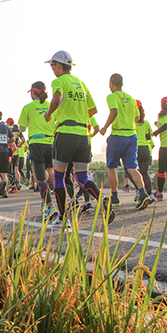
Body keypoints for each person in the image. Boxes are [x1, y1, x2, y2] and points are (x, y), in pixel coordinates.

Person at [43, 50, 111, 227]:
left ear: (59, 65)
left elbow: (56, 99)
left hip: (65, 133)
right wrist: (80, 116)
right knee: (82, 177)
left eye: (52, 65)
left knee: (59, 177)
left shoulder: (59, 81)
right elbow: (93, 110)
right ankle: (101, 198)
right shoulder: (81, 83)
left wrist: (49, 113)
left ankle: (63, 218)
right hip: (83, 136)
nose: (51, 68)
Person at [98, 73, 152, 210]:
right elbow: (137, 116)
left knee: (111, 166)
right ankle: (142, 193)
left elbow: (114, 111)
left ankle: (115, 197)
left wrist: (104, 127)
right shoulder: (131, 98)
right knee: (132, 167)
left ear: (111, 84)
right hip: (132, 136)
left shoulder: (111, 97)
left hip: (118, 135)